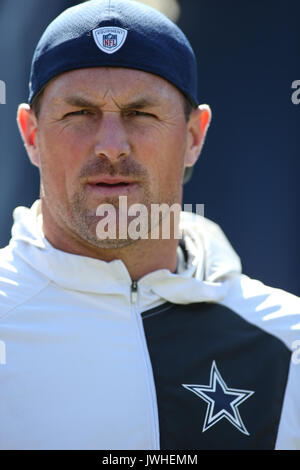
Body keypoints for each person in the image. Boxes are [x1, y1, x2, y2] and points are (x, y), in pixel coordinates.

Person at [0, 0, 299, 451]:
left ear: (194, 137)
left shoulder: (287, 344)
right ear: (31, 134)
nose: (112, 146)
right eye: (79, 114)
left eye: (142, 114)